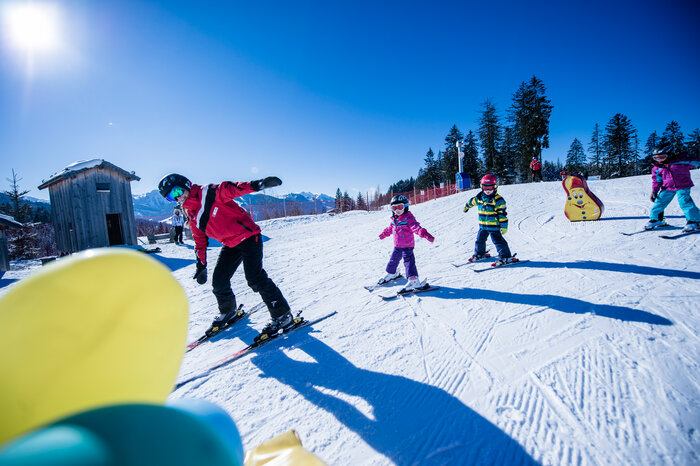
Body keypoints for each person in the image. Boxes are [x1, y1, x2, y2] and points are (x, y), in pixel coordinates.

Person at [158, 173, 293, 341]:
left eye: (177, 191)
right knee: (219, 281)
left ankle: (283, 315)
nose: (178, 197)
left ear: (186, 184)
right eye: (171, 197)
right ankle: (228, 310)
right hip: (230, 244)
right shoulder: (191, 213)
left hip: (249, 237)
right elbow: (199, 240)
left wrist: (258, 185)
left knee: (255, 278)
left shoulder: (207, 193)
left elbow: (231, 189)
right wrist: (201, 265)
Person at [378, 194, 435, 292]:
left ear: (406, 206)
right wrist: (384, 234)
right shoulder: (394, 220)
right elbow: (390, 229)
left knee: (408, 262)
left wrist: (424, 233)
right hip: (397, 245)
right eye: (394, 208)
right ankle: (392, 273)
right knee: (393, 260)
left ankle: (414, 280)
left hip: (407, 245)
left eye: (400, 207)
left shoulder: (409, 218)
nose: (397, 210)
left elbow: (415, 227)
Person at [463, 174, 518, 265]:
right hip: (483, 226)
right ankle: (480, 254)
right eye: (485, 188)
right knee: (479, 240)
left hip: (494, 226)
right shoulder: (479, 198)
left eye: (490, 188)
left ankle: (506, 257)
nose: (487, 191)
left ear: (495, 187)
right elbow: (472, 201)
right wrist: (467, 206)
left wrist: (504, 226)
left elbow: (502, 215)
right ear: (481, 187)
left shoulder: (499, 200)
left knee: (498, 242)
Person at [645, 143, 700, 232]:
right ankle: (656, 219)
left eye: (662, 157)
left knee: (684, 202)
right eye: (656, 158)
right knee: (659, 202)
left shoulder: (680, 161)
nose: (659, 160)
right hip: (667, 187)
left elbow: (696, 162)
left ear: (669, 154)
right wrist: (654, 191)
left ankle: (694, 221)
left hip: (683, 186)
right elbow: (657, 180)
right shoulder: (657, 167)